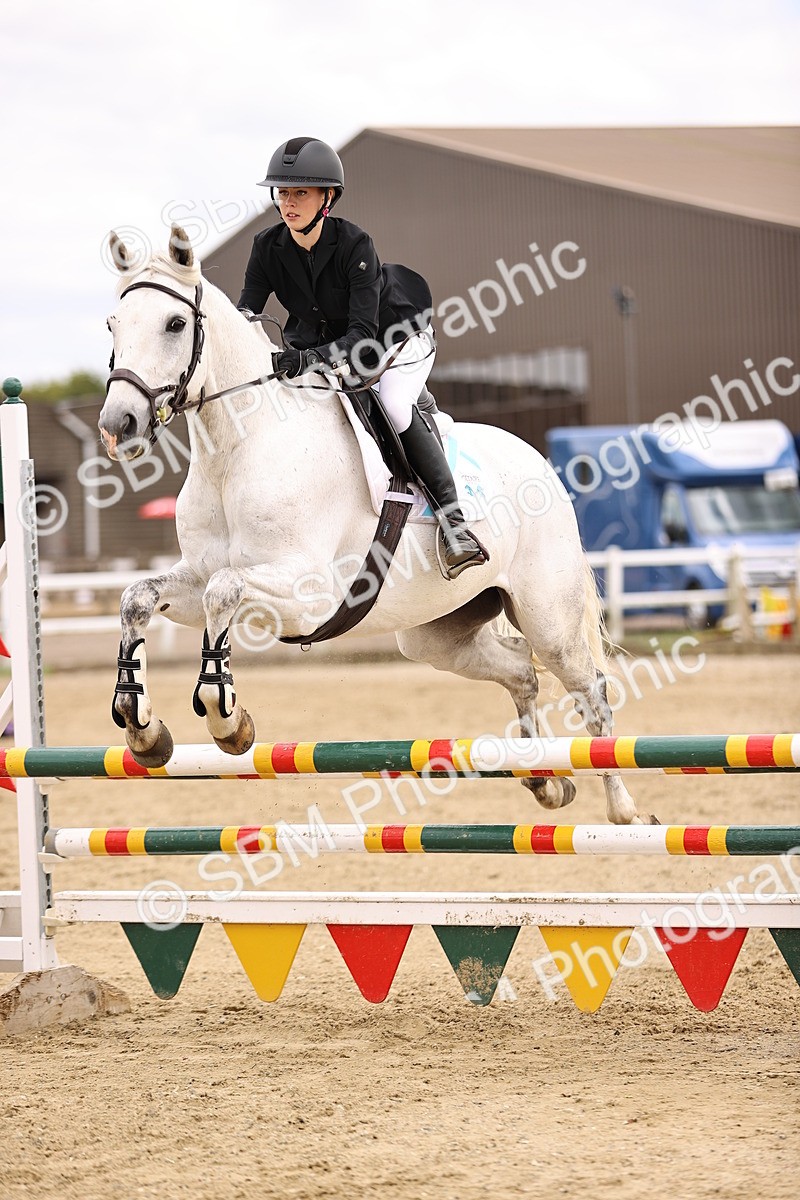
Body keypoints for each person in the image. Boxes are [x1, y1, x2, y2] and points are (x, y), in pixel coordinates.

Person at [237, 136, 488, 579]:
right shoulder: (266, 247)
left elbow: (360, 340)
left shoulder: (355, 245)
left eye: (300, 193)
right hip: (326, 344)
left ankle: (455, 526)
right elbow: (248, 314)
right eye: (282, 193)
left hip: (394, 340)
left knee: (393, 405)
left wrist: (307, 359)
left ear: (327, 198)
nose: (288, 202)